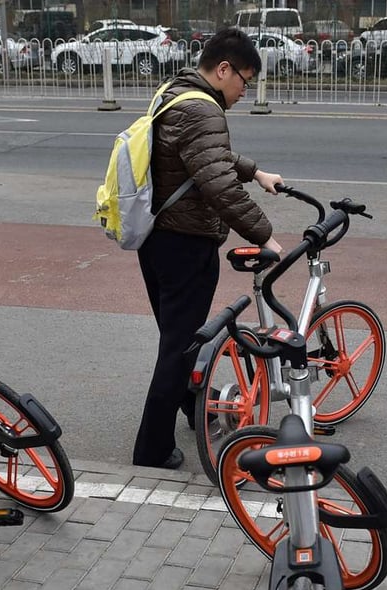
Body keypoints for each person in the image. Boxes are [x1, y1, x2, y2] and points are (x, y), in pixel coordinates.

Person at [133, 27, 284, 469]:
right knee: (178, 349)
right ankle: (152, 450)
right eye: (245, 80)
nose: (245, 91)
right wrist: (265, 236)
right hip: (186, 245)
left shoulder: (176, 92)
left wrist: (255, 172)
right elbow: (216, 182)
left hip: (157, 238)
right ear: (224, 69)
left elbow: (206, 157)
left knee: (177, 340)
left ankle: (191, 407)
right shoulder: (205, 111)